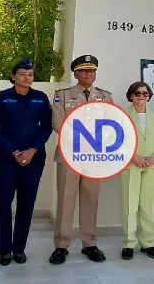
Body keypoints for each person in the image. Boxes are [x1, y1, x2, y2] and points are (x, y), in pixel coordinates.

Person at [0, 58, 53, 266]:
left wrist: (32, 150)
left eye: (30, 74)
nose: (27, 78)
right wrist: (14, 151)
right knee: (2, 203)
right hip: (4, 158)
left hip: (33, 159)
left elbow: (46, 126)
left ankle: (19, 248)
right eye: (23, 74)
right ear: (14, 76)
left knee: (26, 204)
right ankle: (4, 249)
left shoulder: (40, 98)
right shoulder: (1, 98)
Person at [49, 55, 112, 265]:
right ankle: (61, 245)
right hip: (70, 155)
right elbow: (58, 123)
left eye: (92, 71)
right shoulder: (63, 96)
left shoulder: (104, 96)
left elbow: (112, 124)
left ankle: (90, 243)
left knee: (90, 200)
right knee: (66, 202)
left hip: (94, 157)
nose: (88, 74)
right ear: (76, 74)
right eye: (84, 71)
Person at [119, 81, 154, 260]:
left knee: (147, 205)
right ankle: (128, 243)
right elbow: (117, 140)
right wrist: (134, 157)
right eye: (138, 93)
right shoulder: (123, 115)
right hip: (130, 163)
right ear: (131, 95)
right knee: (130, 205)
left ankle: (148, 242)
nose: (141, 96)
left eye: (145, 93)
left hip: (152, 165)